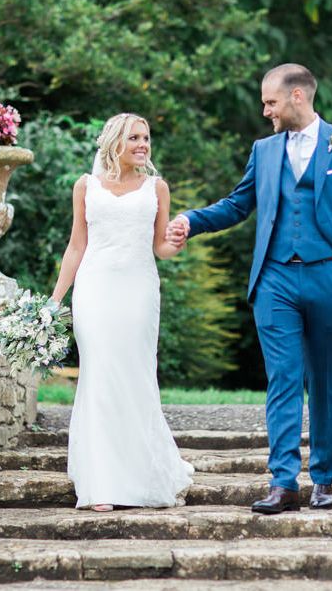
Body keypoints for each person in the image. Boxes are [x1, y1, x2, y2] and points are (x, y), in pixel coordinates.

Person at [167, 63, 332, 514]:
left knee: (323, 380)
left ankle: (323, 479)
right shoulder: (264, 150)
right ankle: (284, 482)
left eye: (271, 102)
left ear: (297, 96)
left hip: (330, 276)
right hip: (275, 279)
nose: (266, 111)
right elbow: (238, 204)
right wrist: (191, 220)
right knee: (284, 379)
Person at [51, 113, 195, 512]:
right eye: (134, 137)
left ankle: (141, 474)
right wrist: (55, 300)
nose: (142, 144)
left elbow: (159, 247)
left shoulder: (157, 188)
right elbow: (76, 246)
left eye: (146, 138)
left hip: (138, 290)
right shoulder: (86, 186)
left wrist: (175, 243)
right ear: (115, 141)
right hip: (94, 290)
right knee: (98, 375)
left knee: (134, 374)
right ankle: (100, 483)